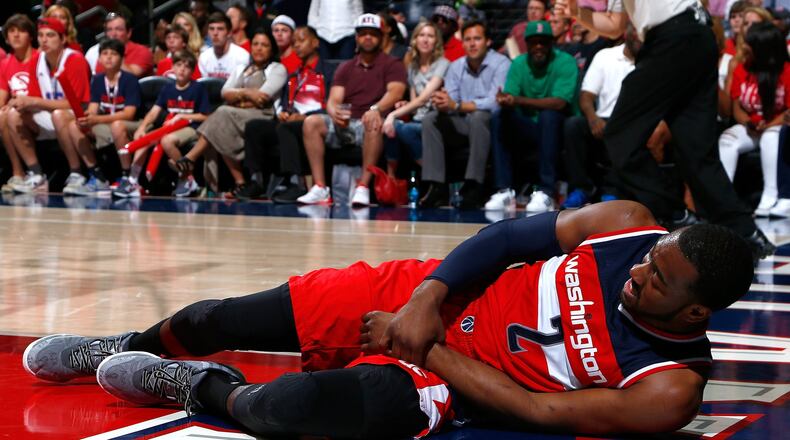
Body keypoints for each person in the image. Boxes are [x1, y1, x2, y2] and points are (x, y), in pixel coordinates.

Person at [23, 201, 756, 438]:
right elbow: (504, 239)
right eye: (648, 260)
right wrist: (427, 300)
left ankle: (190, 385)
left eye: (657, 282)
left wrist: (425, 349)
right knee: (218, 312)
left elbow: (541, 409)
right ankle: (113, 348)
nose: (638, 273)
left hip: (455, 381)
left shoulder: (670, 388)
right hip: (424, 297)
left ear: (694, 311)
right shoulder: (627, 224)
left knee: (287, 412)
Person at [553, 0, 775, 259]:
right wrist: (577, 13)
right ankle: (746, 231)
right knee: (696, 151)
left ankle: (675, 214)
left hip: (673, 38)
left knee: (619, 135)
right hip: (699, 37)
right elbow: (615, 26)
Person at [297, 14, 407, 206]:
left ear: (381, 37)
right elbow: (334, 99)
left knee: (373, 122)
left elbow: (396, 92)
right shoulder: (346, 67)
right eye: (363, 33)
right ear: (356, 38)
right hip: (346, 121)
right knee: (311, 122)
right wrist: (334, 112)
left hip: (369, 123)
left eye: (372, 34)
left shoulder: (392, 64)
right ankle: (320, 187)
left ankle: (362, 187)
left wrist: (375, 109)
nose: (367, 37)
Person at [172, 29, 287, 198]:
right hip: (235, 115)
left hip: (263, 116)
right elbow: (224, 92)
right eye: (255, 44)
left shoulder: (277, 69)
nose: (259, 48)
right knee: (222, 124)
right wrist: (248, 94)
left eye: (264, 45)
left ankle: (190, 159)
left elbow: (263, 97)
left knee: (222, 113)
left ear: (272, 49)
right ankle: (240, 183)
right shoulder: (241, 68)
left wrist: (238, 96)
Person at [488, 20, 578, 213]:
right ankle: (504, 191)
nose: (538, 47)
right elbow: (511, 97)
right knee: (499, 116)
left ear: (551, 43)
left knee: (549, 115)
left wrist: (518, 100)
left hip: (559, 129)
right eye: (534, 42)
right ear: (526, 44)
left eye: (543, 42)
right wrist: (505, 100)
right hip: (529, 126)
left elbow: (559, 102)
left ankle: (546, 191)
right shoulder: (519, 63)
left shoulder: (565, 61)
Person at [419, 20, 511, 210]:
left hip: (492, 125)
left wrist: (458, 105)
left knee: (480, 116)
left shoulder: (501, 63)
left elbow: (496, 102)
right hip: (462, 123)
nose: (472, 44)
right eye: (467, 39)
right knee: (430, 119)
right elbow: (451, 99)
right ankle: (436, 185)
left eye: (477, 39)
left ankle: (473, 184)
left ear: (488, 41)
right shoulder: (456, 66)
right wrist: (443, 103)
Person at [243, 25, 330, 202]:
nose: (296, 45)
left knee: (286, 129)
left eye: (301, 40)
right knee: (254, 126)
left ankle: (296, 183)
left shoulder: (328, 72)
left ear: (315, 43)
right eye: (294, 42)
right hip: (292, 119)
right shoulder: (293, 75)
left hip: (316, 121)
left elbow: (332, 103)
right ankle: (256, 180)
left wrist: (307, 116)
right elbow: (284, 103)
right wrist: (283, 112)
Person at [5, 17, 91, 194]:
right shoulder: (37, 60)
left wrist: (34, 102)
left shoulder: (75, 60)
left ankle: (76, 174)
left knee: (59, 114)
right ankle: (36, 175)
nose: (44, 40)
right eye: (41, 35)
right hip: (50, 116)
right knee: (12, 114)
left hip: (77, 117)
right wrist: (20, 103)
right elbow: (35, 98)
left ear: (63, 39)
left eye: (50, 35)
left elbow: (78, 104)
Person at [562, 26, 643, 209]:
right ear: (627, 33)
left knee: (627, 132)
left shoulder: (653, 60)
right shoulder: (605, 56)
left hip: (632, 121)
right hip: (602, 118)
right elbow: (586, 95)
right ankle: (582, 188)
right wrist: (593, 118)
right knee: (573, 125)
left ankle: (613, 192)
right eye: (637, 32)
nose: (640, 38)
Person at [718, 22, 790, 216]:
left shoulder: (786, 71)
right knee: (727, 139)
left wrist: (767, 125)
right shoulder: (743, 68)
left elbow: (788, 112)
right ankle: (723, 201)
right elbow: (737, 107)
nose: (745, 49)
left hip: (777, 127)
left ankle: (770, 196)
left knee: (771, 136)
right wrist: (748, 122)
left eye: (750, 46)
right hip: (751, 125)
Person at [116, 50, 208, 198]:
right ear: (173, 68)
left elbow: (206, 116)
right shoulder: (168, 88)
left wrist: (183, 116)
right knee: (144, 138)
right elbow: (153, 112)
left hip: (191, 128)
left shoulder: (198, 88)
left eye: (187, 66)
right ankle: (133, 180)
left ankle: (187, 177)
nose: (182, 69)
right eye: (179, 65)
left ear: (192, 70)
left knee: (167, 140)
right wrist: (142, 127)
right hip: (169, 127)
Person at [61, 39, 141, 197]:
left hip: (132, 124)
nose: (109, 57)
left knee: (118, 125)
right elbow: (93, 109)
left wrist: (96, 120)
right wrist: (86, 119)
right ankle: (96, 175)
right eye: (105, 54)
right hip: (108, 123)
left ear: (122, 58)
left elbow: (129, 114)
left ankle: (127, 177)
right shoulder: (97, 80)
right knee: (73, 126)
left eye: (113, 54)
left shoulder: (129, 79)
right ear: (99, 59)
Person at [382, 21, 449, 177]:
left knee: (401, 127)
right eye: (422, 35)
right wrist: (405, 105)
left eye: (430, 36)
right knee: (391, 129)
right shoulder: (412, 66)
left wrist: (392, 114)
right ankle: (390, 178)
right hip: (419, 119)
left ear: (436, 41)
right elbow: (415, 105)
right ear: (415, 39)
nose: (425, 40)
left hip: (437, 120)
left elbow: (423, 99)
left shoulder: (443, 64)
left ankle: (434, 173)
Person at [0, 14, 38, 193]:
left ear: (30, 36)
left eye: (21, 31)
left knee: (11, 114)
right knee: (2, 115)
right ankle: (18, 173)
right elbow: (2, 95)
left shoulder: (40, 58)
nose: (16, 35)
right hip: (17, 112)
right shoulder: (5, 63)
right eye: (12, 32)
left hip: (38, 110)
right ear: (6, 38)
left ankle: (36, 174)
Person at [84, 12, 154, 78]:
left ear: (129, 33)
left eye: (118, 29)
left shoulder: (142, 51)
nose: (113, 34)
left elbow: (131, 76)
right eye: (109, 30)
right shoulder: (99, 53)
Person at [198, 12, 251, 80]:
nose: (215, 33)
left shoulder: (242, 56)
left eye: (220, 29)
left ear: (229, 33)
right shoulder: (204, 57)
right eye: (211, 29)